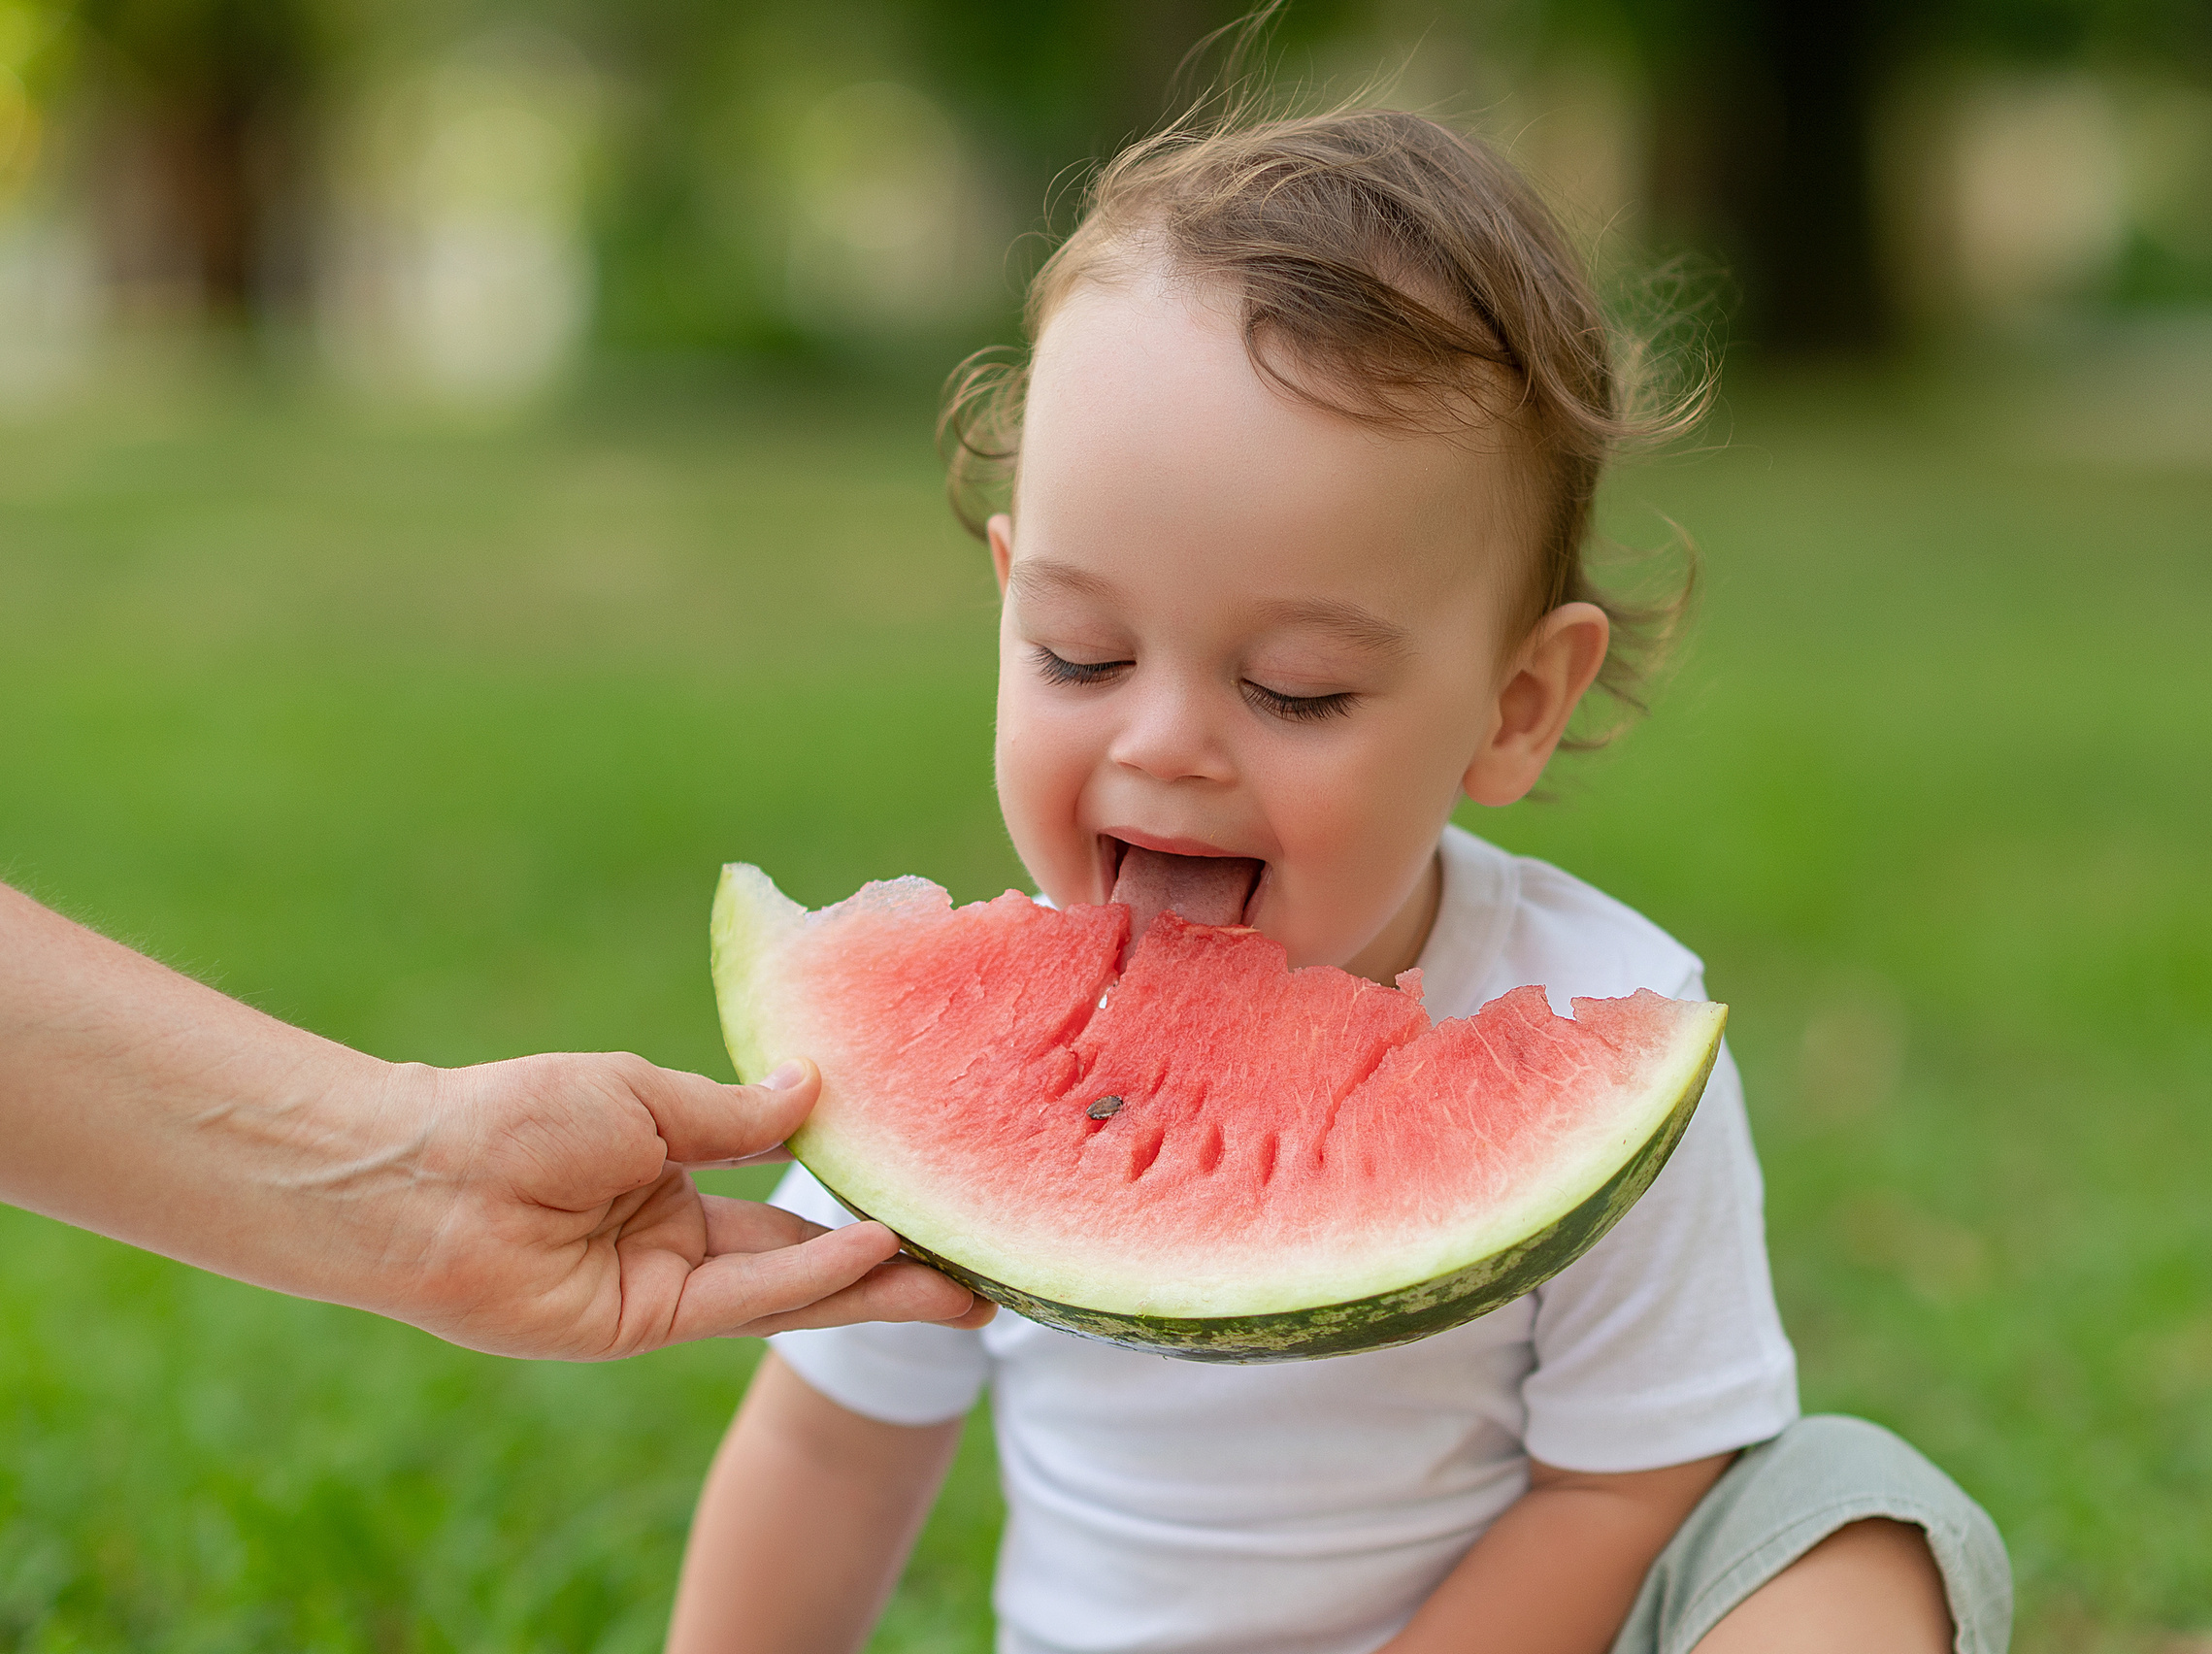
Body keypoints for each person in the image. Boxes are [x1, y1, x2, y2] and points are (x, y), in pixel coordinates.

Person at [665, 105, 2010, 1654]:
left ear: (1517, 706)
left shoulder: (1620, 1044)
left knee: (1864, 1524)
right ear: (1004, 597)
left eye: (1296, 689)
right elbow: (831, 1443)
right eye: (1079, 653)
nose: (1164, 745)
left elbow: (1624, 1491)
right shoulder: (943, 1081)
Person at [0, 879, 993, 1359]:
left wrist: (419, 1189)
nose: (1154, 744)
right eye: (1079, 659)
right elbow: (816, 1467)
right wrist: (417, 1184)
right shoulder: (870, 1208)